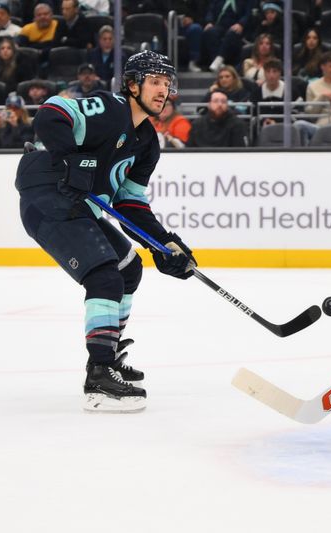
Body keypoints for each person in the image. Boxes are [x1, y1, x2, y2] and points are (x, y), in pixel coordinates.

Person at [15, 51, 197, 412]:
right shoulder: (110, 109)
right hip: (47, 197)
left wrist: (164, 245)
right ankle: (98, 375)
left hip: (78, 206)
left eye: (166, 83)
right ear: (132, 85)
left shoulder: (147, 142)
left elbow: (131, 203)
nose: (163, 90)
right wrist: (69, 157)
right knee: (104, 275)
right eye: (155, 81)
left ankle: (109, 357)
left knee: (128, 269)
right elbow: (52, 113)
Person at [201, 0, 255, 72]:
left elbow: (248, 14)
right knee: (210, 32)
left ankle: (219, 59)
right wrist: (209, 22)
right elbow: (210, 10)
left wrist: (241, 24)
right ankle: (218, 63)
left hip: (237, 25)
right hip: (220, 25)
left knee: (232, 33)